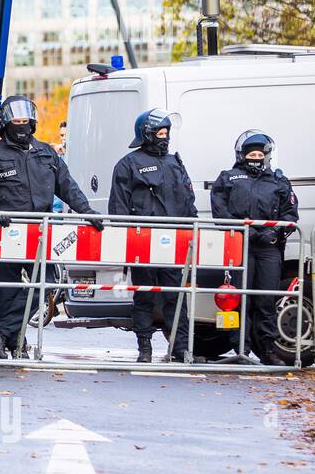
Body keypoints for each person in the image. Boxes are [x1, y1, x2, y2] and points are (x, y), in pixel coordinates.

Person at [0, 95, 99, 359]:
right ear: (5, 124)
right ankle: (15, 343)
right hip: (7, 232)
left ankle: (1, 332)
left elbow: (67, 186)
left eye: (25, 121)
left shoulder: (46, 153)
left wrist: (87, 212)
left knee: (46, 284)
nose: (21, 126)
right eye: (16, 121)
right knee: (7, 291)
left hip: (40, 232)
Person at [108, 108, 198, 364]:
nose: (164, 136)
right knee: (144, 295)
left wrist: (191, 231)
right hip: (143, 241)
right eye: (159, 132)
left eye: (166, 132)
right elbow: (119, 206)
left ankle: (180, 348)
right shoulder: (128, 164)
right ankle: (144, 347)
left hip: (175, 242)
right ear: (146, 134)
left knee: (176, 295)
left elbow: (188, 201)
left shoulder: (174, 163)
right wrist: (126, 238)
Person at [210, 130, 298, 365]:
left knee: (266, 299)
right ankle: (241, 349)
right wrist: (247, 231)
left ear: (267, 155)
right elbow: (221, 212)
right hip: (240, 244)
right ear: (243, 155)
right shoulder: (228, 178)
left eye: (260, 153)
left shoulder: (278, 181)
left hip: (269, 248)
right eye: (252, 153)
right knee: (240, 299)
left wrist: (275, 231)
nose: (256, 157)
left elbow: (291, 214)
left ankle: (267, 349)